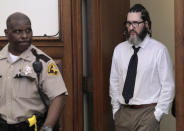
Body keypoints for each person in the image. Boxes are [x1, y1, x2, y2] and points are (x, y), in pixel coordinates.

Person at [109, 4, 175, 131]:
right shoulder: (119, 50)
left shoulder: (159, 50)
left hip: (147, 114)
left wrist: (157, 115)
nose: (131, 28)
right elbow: (114, 82)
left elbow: (168, 86)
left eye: (135, 23)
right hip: (123, 114)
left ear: (146, 24)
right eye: (128, 24)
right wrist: (116, 110)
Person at [0, 12, 68, 131]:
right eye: (18, 31)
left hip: (31, 127)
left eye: (28, 30)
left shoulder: (43, 62)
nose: (24, 36)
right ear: (6, 33)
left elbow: (59, 96)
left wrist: (47, 127)